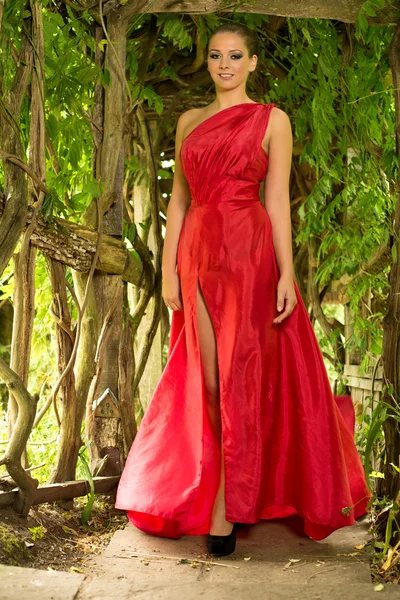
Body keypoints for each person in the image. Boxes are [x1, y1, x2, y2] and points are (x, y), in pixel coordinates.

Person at [115, 22, 372, 558]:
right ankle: (220, 486)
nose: (224, 64)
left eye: (235, 56)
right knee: (209, 381)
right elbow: (179, 202)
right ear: (207, 63)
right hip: (199, 255)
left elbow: (277, 200)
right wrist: (167, 270)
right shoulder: (189, 121)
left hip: (250, 255)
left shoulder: (272, 120)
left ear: (253, 62)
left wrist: (286, 271)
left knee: (243, 376)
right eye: (215, 56)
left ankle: (227, 507)